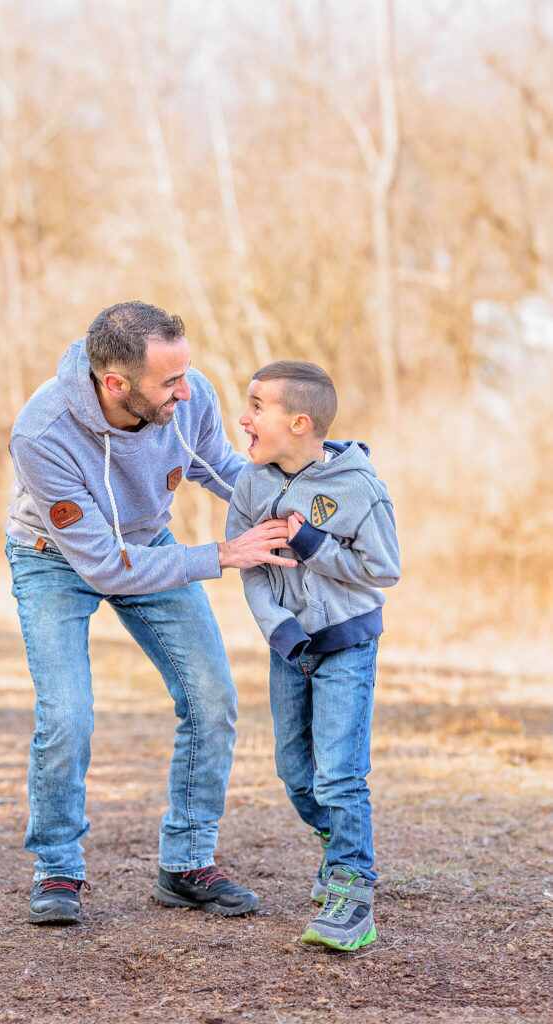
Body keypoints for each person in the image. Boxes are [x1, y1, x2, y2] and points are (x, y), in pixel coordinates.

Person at [5, 302, 297, 925]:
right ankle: (57, 867)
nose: (185, 392)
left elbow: (225, 471)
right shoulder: (42, 433)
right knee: (67, 715)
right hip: (54, 556)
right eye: (169, 382)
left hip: (149, 541)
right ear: (115, 384)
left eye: (185, 374)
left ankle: (187, 864)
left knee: (212, 696)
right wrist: (221, 554)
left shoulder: (189, 398)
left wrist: (303, 497)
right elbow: (105, 566)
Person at [226, 360, 400, 950]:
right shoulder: (250, 484)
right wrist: (276, 627)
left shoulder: (358, 487)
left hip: (347, 641)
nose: (243, 417)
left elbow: (383, 569)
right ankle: (343, 846)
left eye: (256, 406)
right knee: (297, 773)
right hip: (288, 648)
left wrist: (310, 543)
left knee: (340, 773)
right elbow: (248, 566)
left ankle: (352, 885)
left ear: (299, 422)